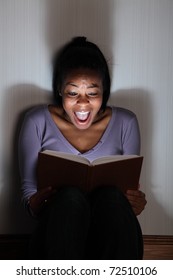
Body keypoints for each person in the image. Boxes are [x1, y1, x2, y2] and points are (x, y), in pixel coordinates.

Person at [18, 36, 147, 260]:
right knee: (69, 199)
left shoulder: (126, 122)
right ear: (60, 89)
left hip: (109, 234)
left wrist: (135, 203)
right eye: (73, 93)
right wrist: (34, 203)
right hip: (58, 235)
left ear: (104, 91)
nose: (83, 103)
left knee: (112, 198)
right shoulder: (37, 120)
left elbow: (128, 195)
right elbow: (29, 191)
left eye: (93, 93)